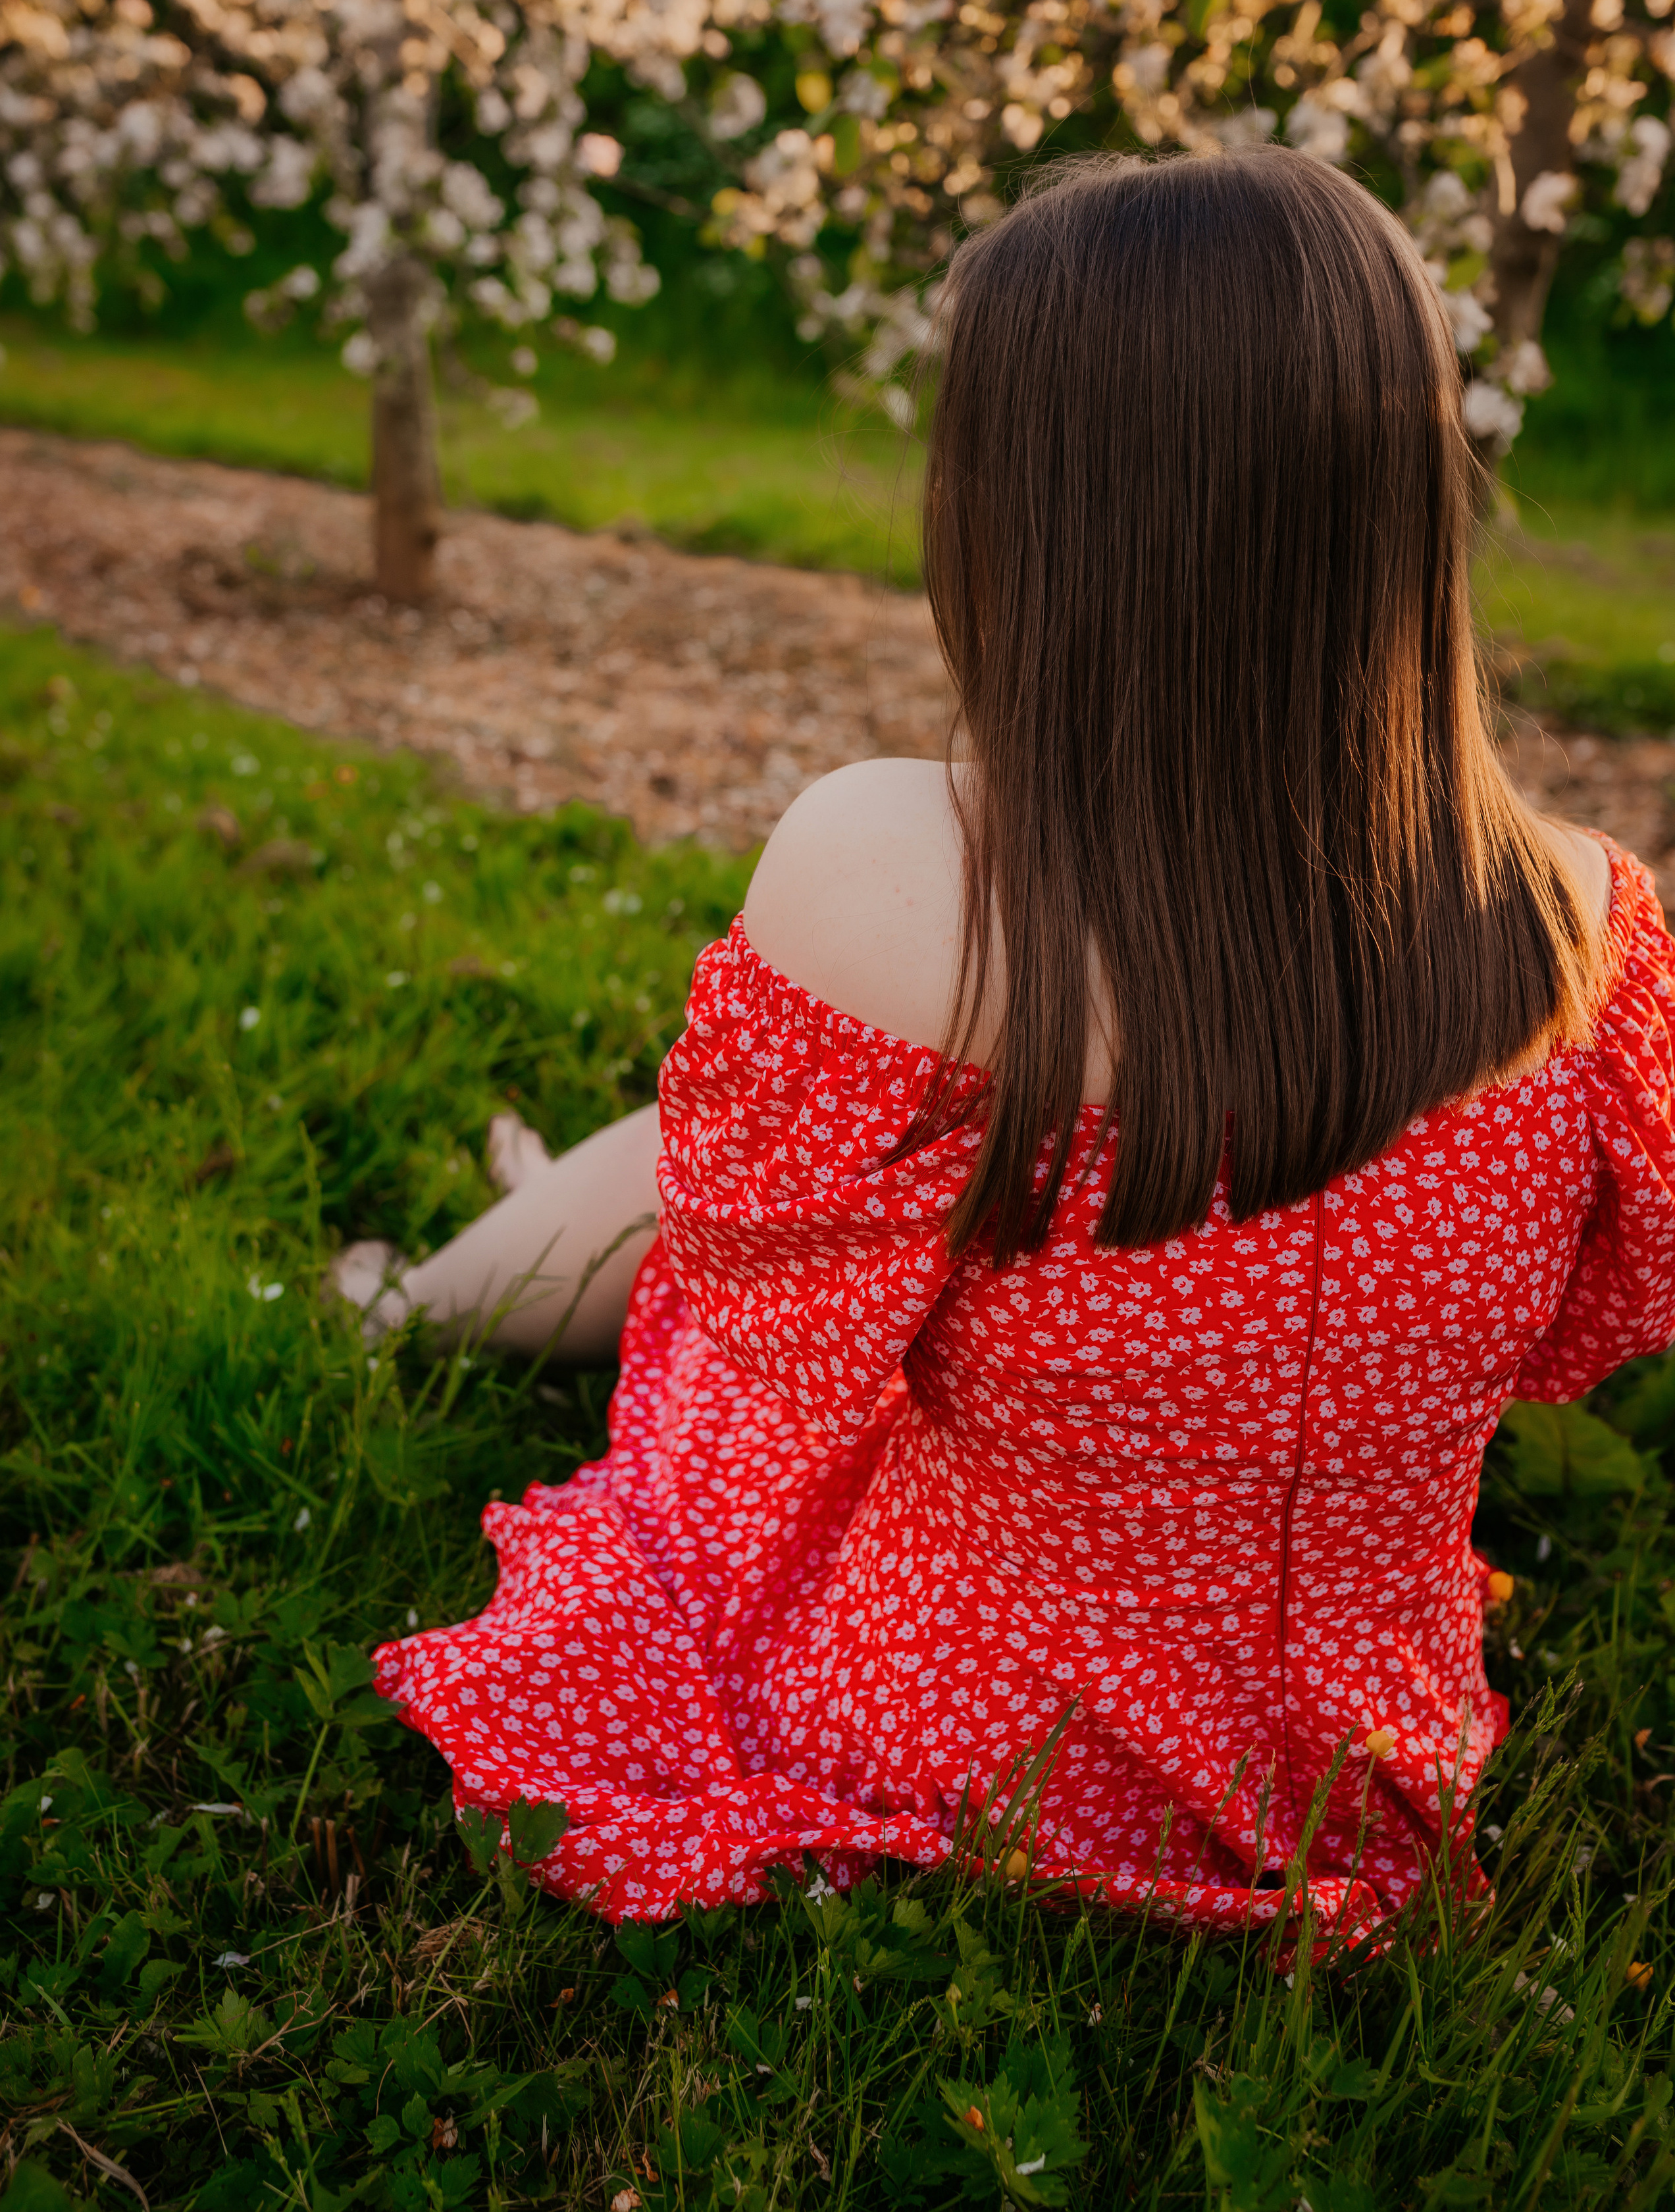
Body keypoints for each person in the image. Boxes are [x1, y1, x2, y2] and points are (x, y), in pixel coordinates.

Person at [339, 149, 1675, 1935]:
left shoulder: (899, 867)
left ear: (1030, 505)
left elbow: (763, 1324)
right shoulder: (1595, 919)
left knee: (684, 1222)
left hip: (957, 1727)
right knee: (744, 1174)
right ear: (1404, 493)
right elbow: (1566, 1327)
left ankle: (409, 1302)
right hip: (1362, 1757)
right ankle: (521, 1225)